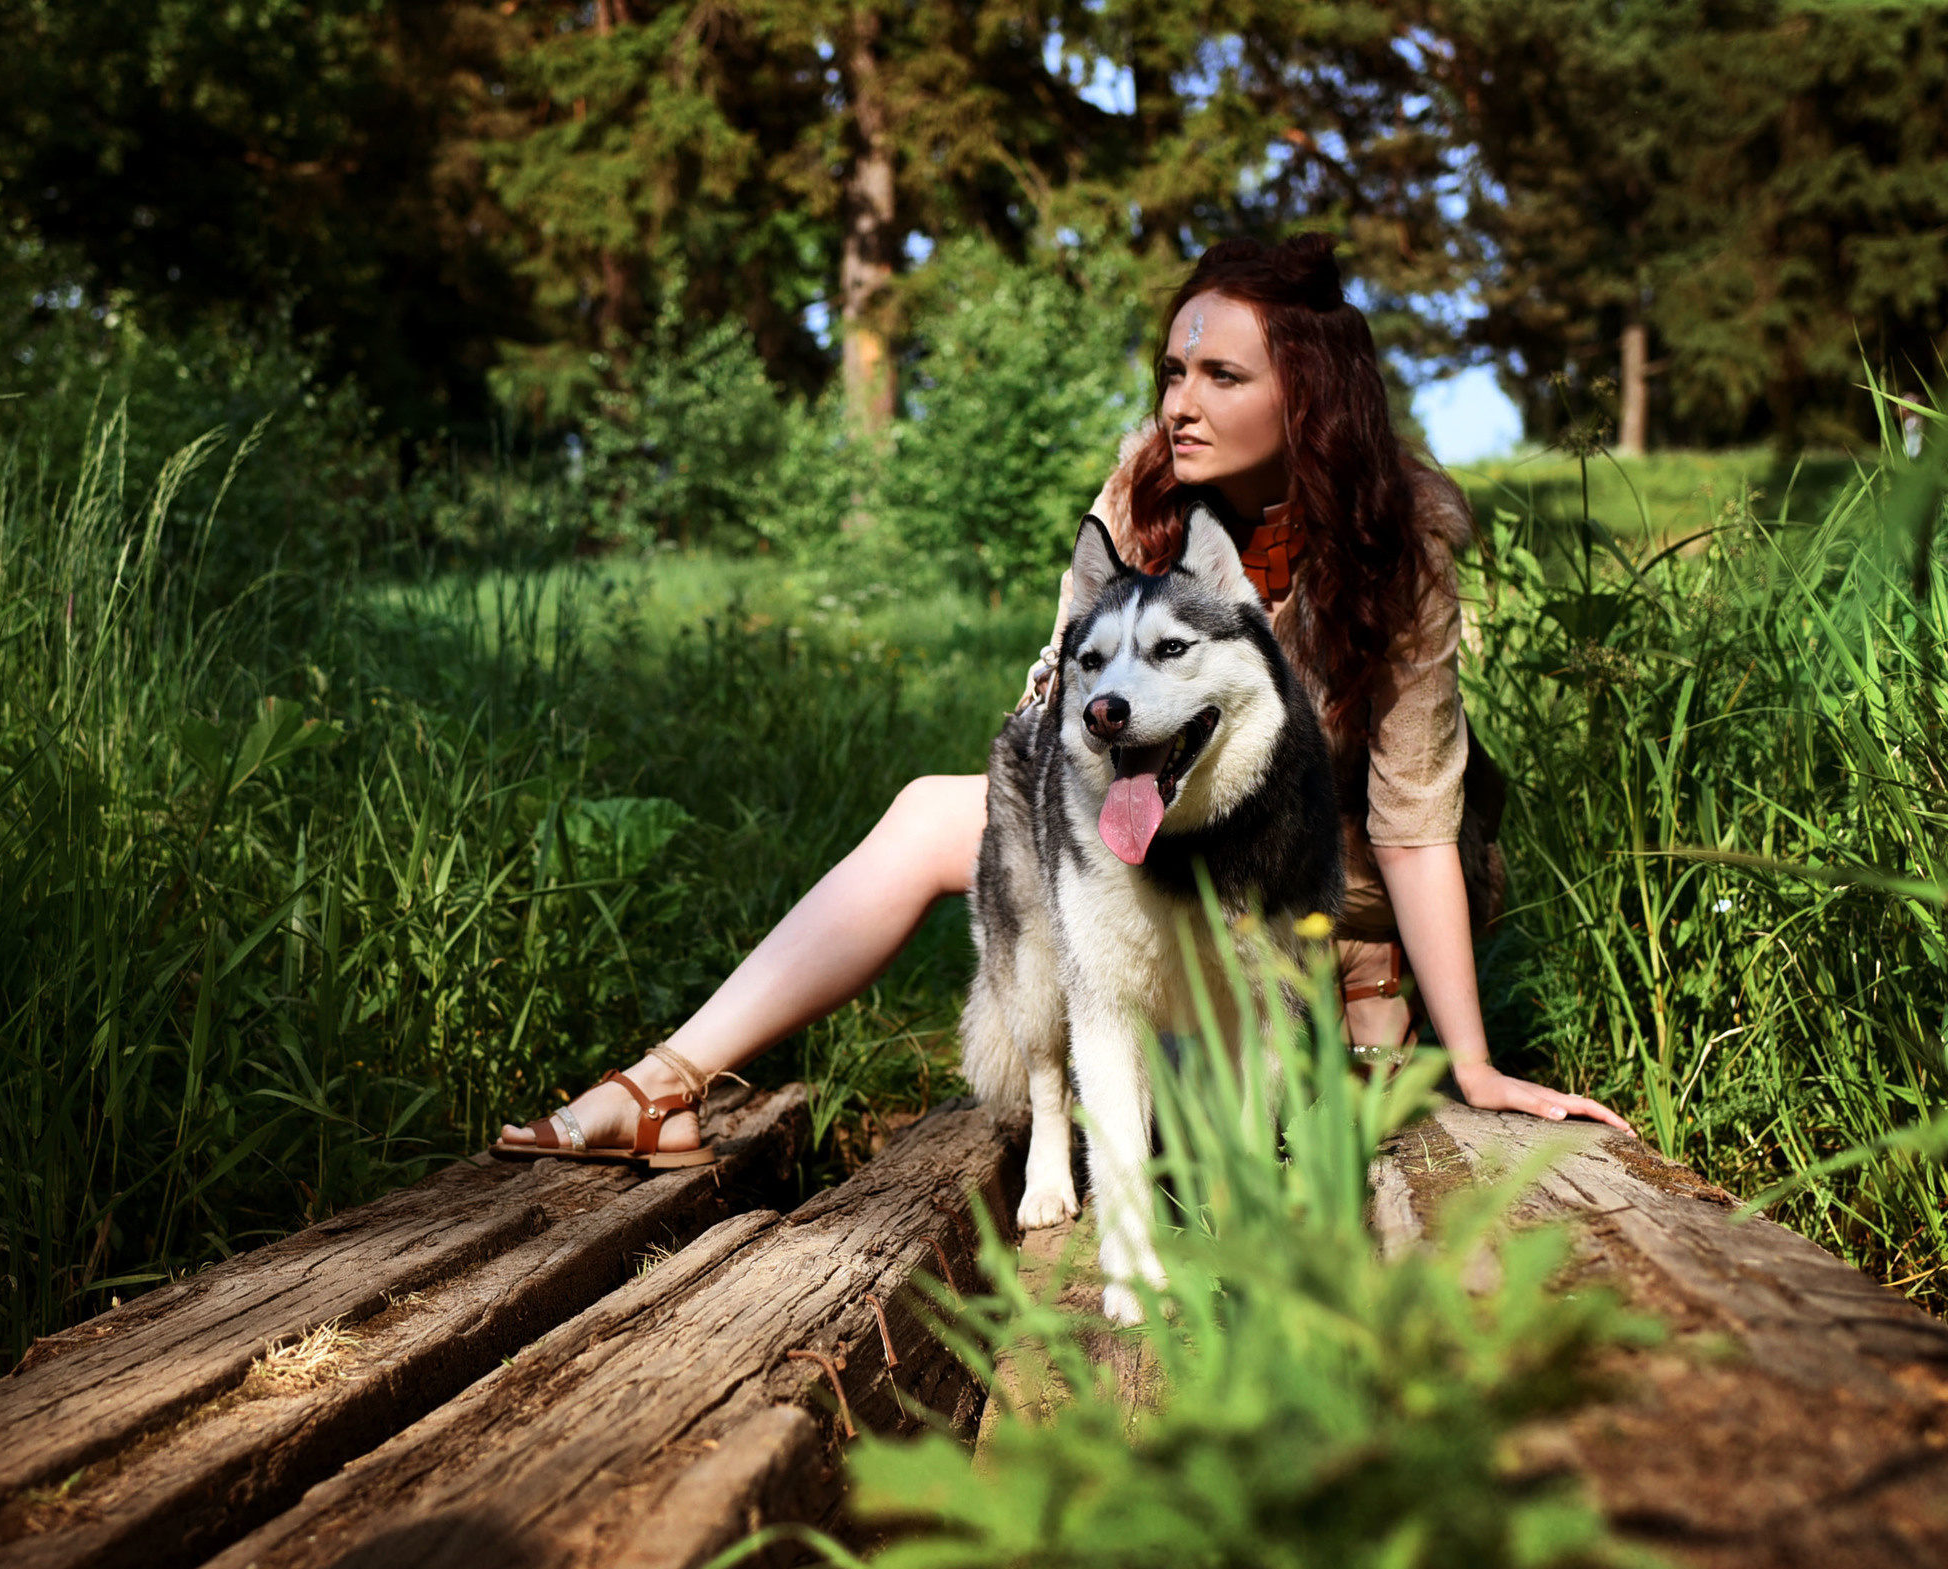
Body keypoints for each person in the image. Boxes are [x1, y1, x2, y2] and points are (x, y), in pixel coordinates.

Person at [496, 234, 1628, 1166]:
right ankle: (664, 1081)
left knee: (1241, 1131)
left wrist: (1473, 1062)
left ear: (1312, 393)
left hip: (1323, 886)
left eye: (1221, 377)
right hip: (1155, 867)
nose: (1181, 403)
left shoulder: (1402, 529)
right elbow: (1053, 719)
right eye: (1175, 373)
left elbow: (1416, 813)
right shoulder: (1144, 489)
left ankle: (1359, 1004)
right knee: (933, 809)